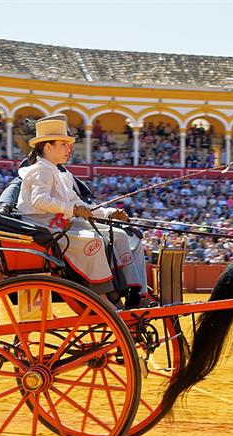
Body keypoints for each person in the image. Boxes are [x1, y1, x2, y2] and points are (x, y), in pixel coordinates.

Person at [16, 114, 153, 308]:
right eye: (63, 144)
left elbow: (80, 205)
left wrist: (108, 213)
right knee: (95, 242)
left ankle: (135, 291)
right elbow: (40, 201)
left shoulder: (58, 172)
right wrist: (73, 209)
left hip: (61, 226)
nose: (69, 148)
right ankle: (102, 297)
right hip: (45, 229)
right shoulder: (42, 169)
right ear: (48, 147)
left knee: (120, 235)